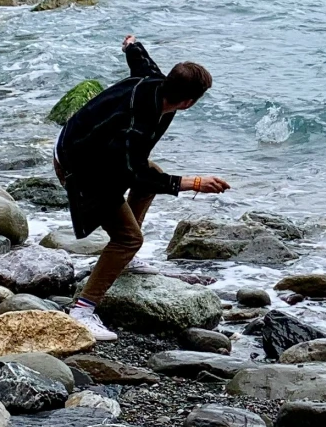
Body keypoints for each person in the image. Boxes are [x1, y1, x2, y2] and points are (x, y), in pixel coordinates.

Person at [54, 34, 229, 339]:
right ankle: (83, 309)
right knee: (128, 238)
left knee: (154, 173)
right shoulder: (136, 124)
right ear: (187, 103)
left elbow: (142, 63)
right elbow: (131, 173)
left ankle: (125, 259)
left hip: (85, 146)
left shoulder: (155, 82)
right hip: (81, 166)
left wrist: (131, 46)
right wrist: (191, 183)